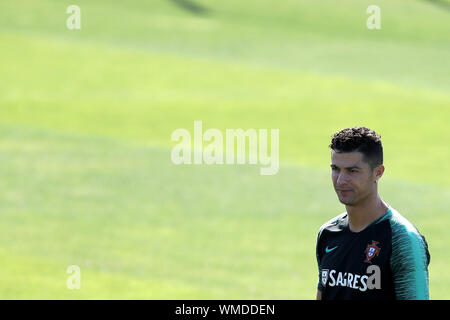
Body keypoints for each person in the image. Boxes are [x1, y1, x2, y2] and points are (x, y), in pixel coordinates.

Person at [316, 127, 430, 300]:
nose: (340, 180)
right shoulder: (327, 234)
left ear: (378, 172)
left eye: (352, 171)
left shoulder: (402, 239)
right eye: (335, 169)